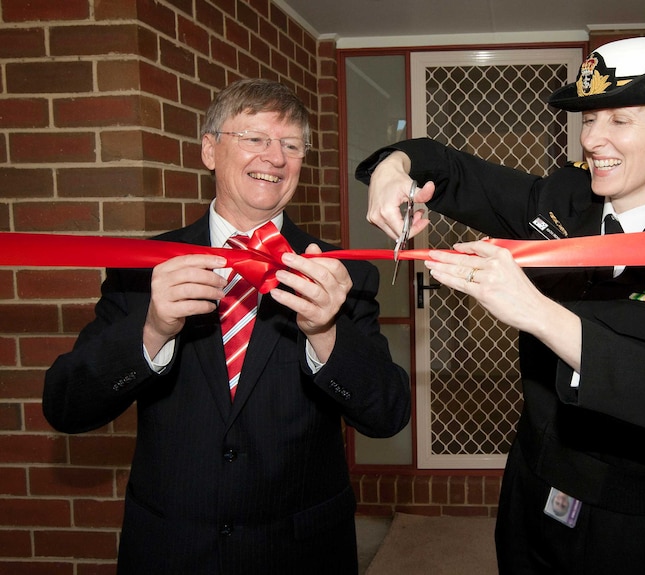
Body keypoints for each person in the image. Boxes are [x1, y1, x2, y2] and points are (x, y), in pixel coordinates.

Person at [357, 37, 645, 574]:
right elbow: (447, 167)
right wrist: (394, 168)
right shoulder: (559, 201)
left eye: (619, 120)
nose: (593, 139)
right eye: (588, 118)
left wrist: (537, 311)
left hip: (628, 520)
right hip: (530, 489)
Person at [43, 78, 411, 574]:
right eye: (254, 139)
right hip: (172, 549)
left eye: (290, 145)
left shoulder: (339, 274)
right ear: (210, 151)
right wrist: (152, 328)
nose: (275, 158)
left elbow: (387, 414)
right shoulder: (144, 266)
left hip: (301, 550)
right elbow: (67, 405)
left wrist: (325, 332)